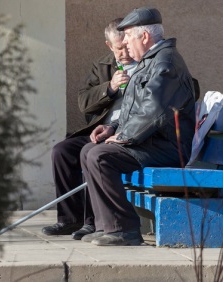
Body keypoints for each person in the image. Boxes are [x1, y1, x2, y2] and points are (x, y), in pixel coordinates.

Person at [79, 7, 197, 246]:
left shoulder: (165, 64)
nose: (125, 44)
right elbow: (134, 107)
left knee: (101, 157)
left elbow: (153, 111)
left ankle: (125, 229)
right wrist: (112, 128)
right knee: (87, 151)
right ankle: (106, 226)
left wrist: (124, 137)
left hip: (168, 147)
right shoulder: (150, 61)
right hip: (152, 142)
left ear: (144, 37)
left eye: (128, 37)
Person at [41, 18, 137, 240]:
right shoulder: (103, 66)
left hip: (128, 134)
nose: (125, 53)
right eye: (118, 48)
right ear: (109, 46)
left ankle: (91, 222)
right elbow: (84, 102)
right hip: (101, 130)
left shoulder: (146, 62)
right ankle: (69, 219)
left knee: (93, 154)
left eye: (126, 46)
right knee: (62, 151)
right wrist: (110, 88)